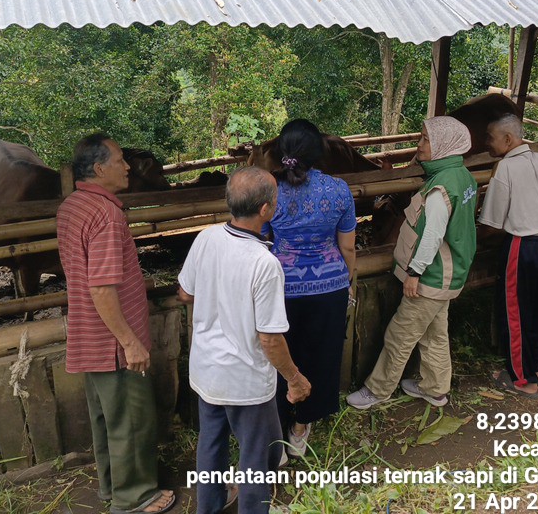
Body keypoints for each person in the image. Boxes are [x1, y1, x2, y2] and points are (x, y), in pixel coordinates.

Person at [178, 167, 311, 514]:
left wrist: (218, 296)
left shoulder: (206, 238)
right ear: (266, 210)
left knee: (211, 444)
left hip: (207, 372)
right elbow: (270, 339)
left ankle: (209, 507)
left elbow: (185, 293)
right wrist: (295, 378)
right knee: (259, 456)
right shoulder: (264, 263)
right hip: (245, 382)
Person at [56, 134, 174, 514]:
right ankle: (135, 498)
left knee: (108, 418)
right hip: (113, 343)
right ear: (99, 168)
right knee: (132, 421)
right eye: (120, 160)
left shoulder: (73, 206)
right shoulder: (106, 215)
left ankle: (112, 486)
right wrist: (130, 341)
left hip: (89, 336)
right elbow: (102, 288)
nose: (127, 167)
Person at [347, 116, 477, 410]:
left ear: (444, 145)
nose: (419, 146)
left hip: (432, 276)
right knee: (434, 334)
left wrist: (414, 272)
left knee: (400, 335)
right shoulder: (462, 177)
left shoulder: (441, 187)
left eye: (426, 140)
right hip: (450, 273)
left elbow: (432, 235)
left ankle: (377, 390)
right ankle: (435, 389)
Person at [262, 119, 356, 457]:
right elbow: (348, 247)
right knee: (320, 355)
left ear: (280, 151)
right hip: (329, 288)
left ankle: (276, 430)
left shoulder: (269, 190)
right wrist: (347, 281)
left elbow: (261, 241)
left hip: (280, 289)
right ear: (319, 152)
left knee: (280, 357)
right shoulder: (339, 189)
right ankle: (300, 429)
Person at [478, 114, 538, 397]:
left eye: (490, 137)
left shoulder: (505, 167)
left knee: (515, 313)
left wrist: (472, 239)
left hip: (524, 246)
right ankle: (534, 367)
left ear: (507, 139)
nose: (487, 143)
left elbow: (492, 223)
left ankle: (522, 380)